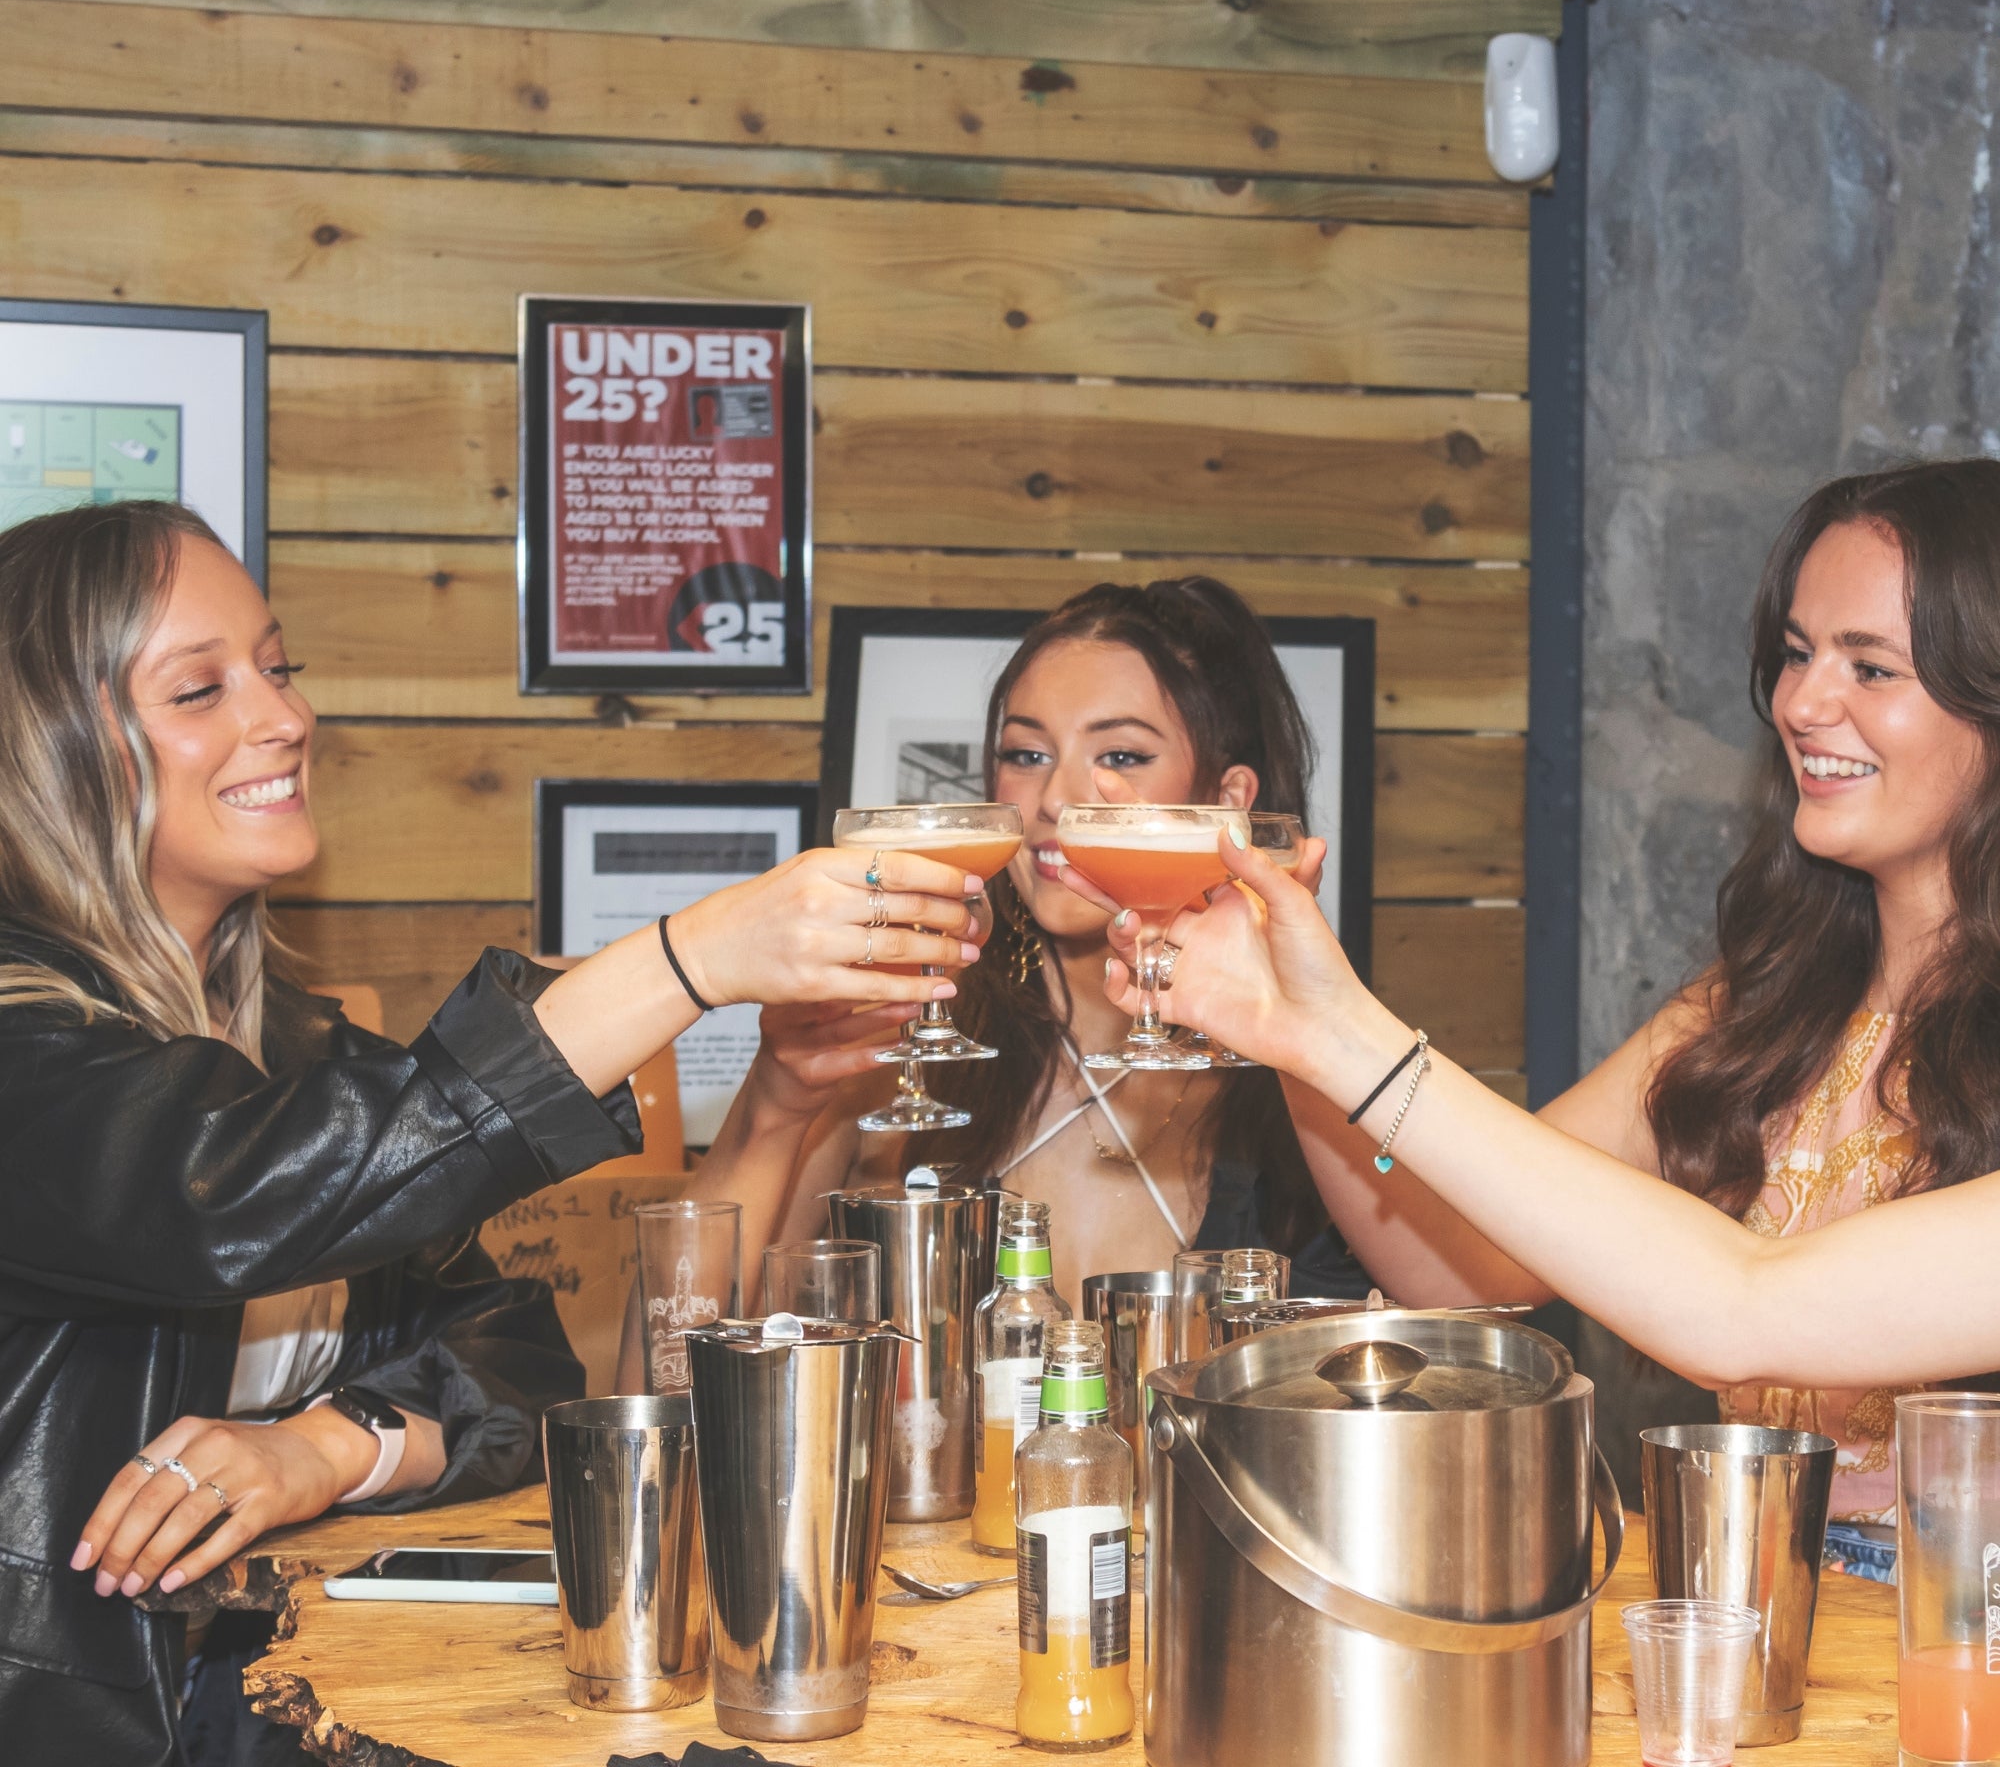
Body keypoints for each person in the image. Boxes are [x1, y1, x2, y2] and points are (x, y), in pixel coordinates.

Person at [0, 501, 983, 1763]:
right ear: (49, 751)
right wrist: (696, 956)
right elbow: (221, 1200)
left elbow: (516, 1361)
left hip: (264, 1700)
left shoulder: (299, 1051)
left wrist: (320, 1446)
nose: (284, 717)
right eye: (201, 688)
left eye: (278, 667)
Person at [1093, 459, 2000, 1481]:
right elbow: (1462, 1263)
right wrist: (1294, 1039)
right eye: (1795, 653)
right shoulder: (1753, 1006)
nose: (1799, 701)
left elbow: (1746, 1303)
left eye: (1867, 667)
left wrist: (1344, 1032)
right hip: (1761, 1610)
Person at [671, 579, 1371, 1324]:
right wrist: (771, 1104)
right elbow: (670, 1376)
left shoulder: (1306, 1076)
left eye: (1124, 755)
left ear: (1228, 799)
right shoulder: (898, 1035)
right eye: (1027, 752)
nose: (1056, 801)